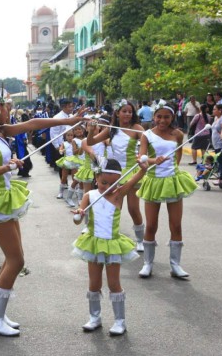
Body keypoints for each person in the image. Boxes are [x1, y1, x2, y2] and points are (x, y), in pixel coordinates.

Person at [0, 88, 86, 337]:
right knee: (16, 261)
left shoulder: (0, 130)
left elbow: (33, 123)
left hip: (6, 196)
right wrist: (8, 165)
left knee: (14, 259)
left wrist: (69, 121)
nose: (8, 110)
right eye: (6, 106)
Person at [71, 157, 147, 336]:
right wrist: (80, 213)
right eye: (104, 182)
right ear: (96, 178)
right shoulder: (89, 196)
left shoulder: (119, 194)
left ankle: (120, 321)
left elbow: (135, 178)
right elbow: (78, 221)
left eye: (114, 183)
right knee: (94, 282)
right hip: (94, 243)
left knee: (114, 283)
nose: (108, 187)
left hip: (112, 244)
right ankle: (94, 318)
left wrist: (143, 169)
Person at [137, 103, 198, 279]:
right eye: (159, 116)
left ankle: (175, 265)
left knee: (176, 224)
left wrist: (173, 167)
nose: (162, 120)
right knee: (151, 225)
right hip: (154, 181)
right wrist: (152, 160)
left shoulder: (177, 134)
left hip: (172, 181)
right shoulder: (146, 135)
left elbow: (178, 155)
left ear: (172, 118)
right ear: (154, 117)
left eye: (166, 117)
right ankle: (148, 263)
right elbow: (142, 158)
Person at [87, 101, 146, 252]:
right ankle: (108, 234)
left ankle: (140, 239)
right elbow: (91, 141)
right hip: (114, 173)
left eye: (130, 112)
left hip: (131, 170)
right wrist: (92, 130)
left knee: (133, 208)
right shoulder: (111, 129)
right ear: (117, 113)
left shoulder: (137, 128)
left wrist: (144, 156)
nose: (127, 114)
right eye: (124, 111)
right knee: (113, 206)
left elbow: (148, 143)